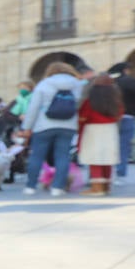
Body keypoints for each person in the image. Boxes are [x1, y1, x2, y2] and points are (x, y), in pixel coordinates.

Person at [21, 61, 85, 195]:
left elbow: (34, 107)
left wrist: (27, 127)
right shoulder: (77, 85)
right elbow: (79, 105)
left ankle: (30, 187)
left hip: (44, 125)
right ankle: (57, 188)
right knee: (62, 156)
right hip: (68, 125)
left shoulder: (44, 84)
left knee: (37, 156)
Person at [77, 73, 123, 195]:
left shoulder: (89, 101)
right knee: (107, 158)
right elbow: (120, 114)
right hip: (110, 129)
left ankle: (96, 188)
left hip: (93, 129)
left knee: (95, 158)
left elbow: (83, 117)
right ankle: (106, 186)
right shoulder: (116, 101)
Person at [108, 62, 135, 185]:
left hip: (110, 117)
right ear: (125, 70)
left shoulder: (109, 82)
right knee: (123, 146)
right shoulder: (129, 81)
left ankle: (105, 172)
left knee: (110, 145)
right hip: (128, 116)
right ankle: (120, 174)